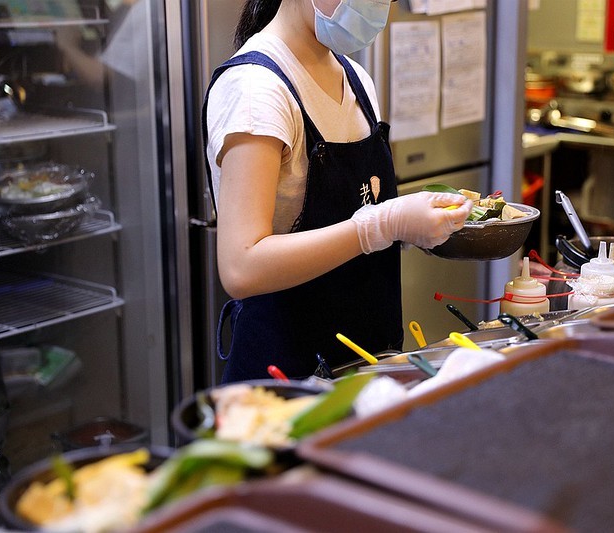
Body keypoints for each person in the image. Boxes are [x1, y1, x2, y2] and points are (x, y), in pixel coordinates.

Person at [202, 0, 472, 382]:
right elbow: (241, 266)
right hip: (289, 381)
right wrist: (379, 227)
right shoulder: (256, 90)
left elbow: (361, 207)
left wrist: (415, 224)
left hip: (369, 363)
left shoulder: (356, 78)